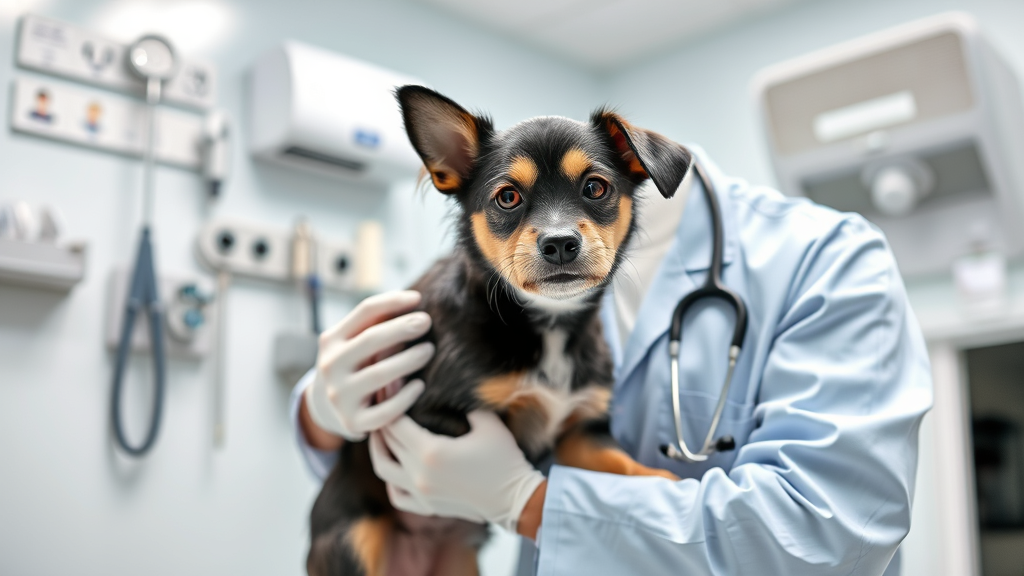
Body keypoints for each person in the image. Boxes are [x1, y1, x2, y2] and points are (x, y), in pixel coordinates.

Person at [292, 147, 932, 575]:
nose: (556, 231)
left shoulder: (830, 260)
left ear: (631, 178)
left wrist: (530, 502)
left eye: (595, 187)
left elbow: (830, 532)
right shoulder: (503, 270)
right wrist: (321, 412)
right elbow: (425, 434)